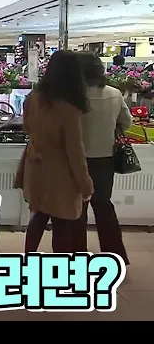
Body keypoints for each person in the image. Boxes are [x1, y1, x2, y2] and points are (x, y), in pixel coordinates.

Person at [24, 52, 131, 263]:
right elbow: (126, 122)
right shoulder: (114, 94)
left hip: (67, 161)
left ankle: (77, 254)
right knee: (103, 206)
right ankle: (115, 253)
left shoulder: (66, 98)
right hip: (103, 157)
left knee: (73, 213)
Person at [18, 50, 94, 254]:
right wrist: (85, 183)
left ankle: (28, 258)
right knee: (62, 223)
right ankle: (59, 267)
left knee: (39, 216)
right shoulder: (69, 108)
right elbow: (75, 150)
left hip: (35, 166)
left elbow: (26, 127)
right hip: (61, 173)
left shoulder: (34, 98)